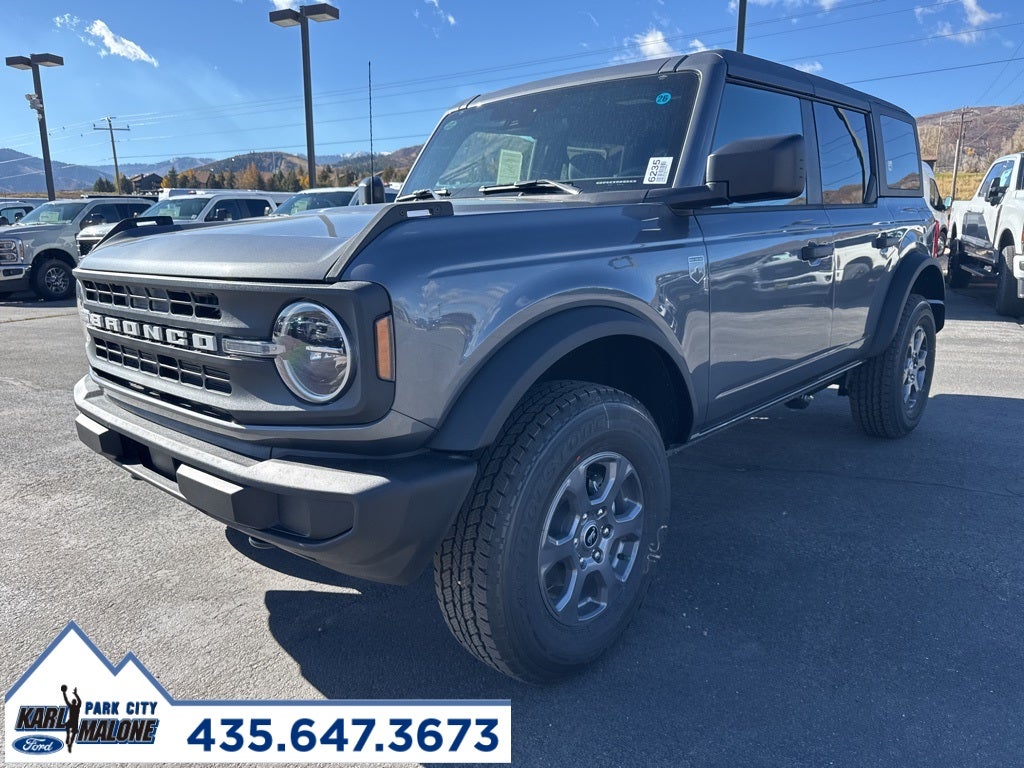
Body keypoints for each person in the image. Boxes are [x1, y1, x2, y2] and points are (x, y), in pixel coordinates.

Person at [61, 684, 81, 753]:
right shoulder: (77, 707)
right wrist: (76, 694)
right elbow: (79, 701)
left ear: (73, 702)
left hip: (72, 721)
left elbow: (66, 700)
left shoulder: (72, 706)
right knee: (73, 733)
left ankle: (68, 738)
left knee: (68, 727)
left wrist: (64, 693)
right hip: (74, 722)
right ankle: (69, 742)